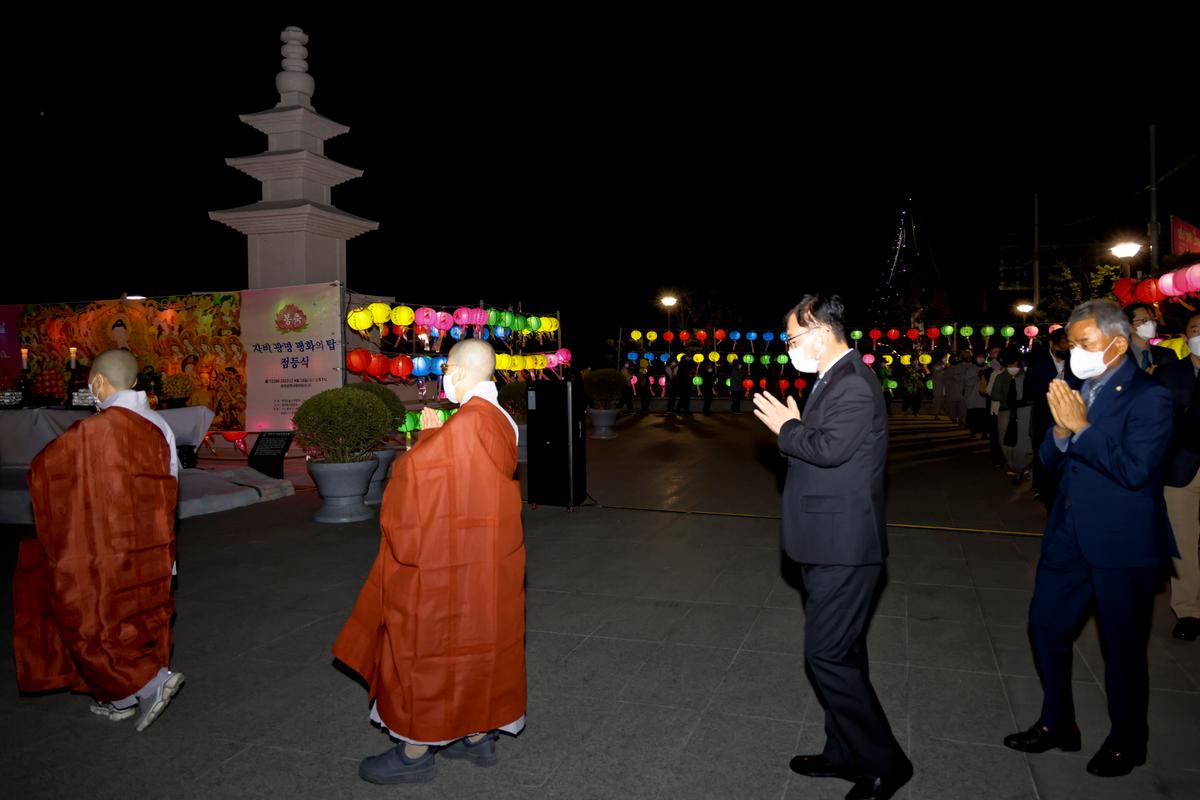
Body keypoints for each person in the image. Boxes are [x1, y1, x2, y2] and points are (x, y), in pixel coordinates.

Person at [333, 339, 526, 785]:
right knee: (485, 639)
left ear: (456, 373)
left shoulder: (463, 427)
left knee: (431, 645)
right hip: (492, 558)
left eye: (445, 373)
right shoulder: (502, 420)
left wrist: (424, 439)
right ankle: (477, 737)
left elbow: (416, 482)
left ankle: (415, 749)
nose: (443, 381)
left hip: (448, 558)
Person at [1004, 299, 1175, 778]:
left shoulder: (1149, 397)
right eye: (1074, 343)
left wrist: (1080, 428)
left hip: (1122, 544)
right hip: (1067, 537)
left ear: (1117, 343)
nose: (1075, 352)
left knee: (1121, 649)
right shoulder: (1076, 387)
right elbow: (1050, 459)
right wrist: (1060, 434)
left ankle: (1128, 740)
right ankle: (1057, 722)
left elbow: (1136, 471)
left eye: (1085, 343)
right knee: (1045, 628)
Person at [753, 295, 912, 800]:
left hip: (843, 547)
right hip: (824, 539)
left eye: (793, 338)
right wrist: (799, 428)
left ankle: (887, 762)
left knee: (826, 656)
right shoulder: (831, 378)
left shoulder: (853, 385)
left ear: (821, 332)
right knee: (844, 651)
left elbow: (827, 449)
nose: (789, 348)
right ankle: (844, 751)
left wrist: (788, 429)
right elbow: (826, 448)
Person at [12, 349, 184, 732]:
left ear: (98, 383)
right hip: (153, 548)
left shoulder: (94, 431)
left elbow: (45, 471)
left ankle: (149, 683)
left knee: (91, 619)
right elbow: (171, 484)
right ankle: (118, 696)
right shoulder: (158, 425)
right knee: (143, 619)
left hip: (105, 550)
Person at [1157, 312, 1200, 640]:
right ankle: (1188, 610)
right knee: (1183, 540)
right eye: (1196, 330)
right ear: (1186, 338)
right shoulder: (1170, 375)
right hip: (1181, 467)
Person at [1025, 329, 1075, 505]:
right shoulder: (1038, 363)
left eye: (1068, 347)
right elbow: (1029, 389)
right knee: (1042, 451)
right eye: (1061, 347)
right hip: (1044, 414)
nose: (1065, 351)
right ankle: (1041, 488)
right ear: (1052, 345)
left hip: (1068, 416)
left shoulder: (1074, 362)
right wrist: (1052, 388)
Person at [990, 349, 1033, 483]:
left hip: (1023, 412)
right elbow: (994, 394)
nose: (1012, 368)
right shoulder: (1000, 377)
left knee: (1023, 440)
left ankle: (1022, 467)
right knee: (1006, 441)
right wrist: (1007, 398)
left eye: (1014, 365)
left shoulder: (1026, 376)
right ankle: (1014, 465)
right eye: (1009, 365)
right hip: (1005, 412)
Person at [1126, 303, 1178, 373]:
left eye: (1153, 319)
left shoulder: (1168, 354)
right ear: (1129, 325)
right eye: (1145, 320)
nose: (1151, 323)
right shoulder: (1118, 357)